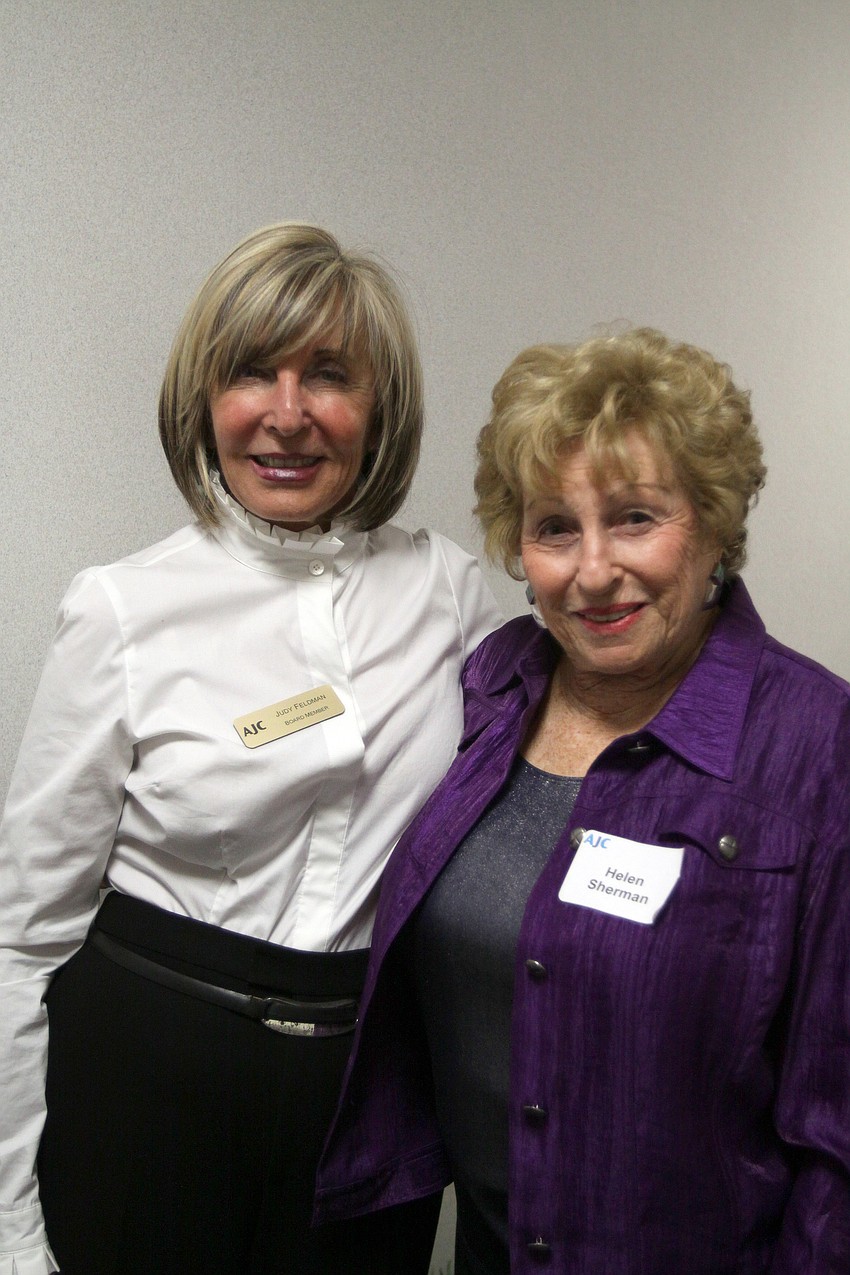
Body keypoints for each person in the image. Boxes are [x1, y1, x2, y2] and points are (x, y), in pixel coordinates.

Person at [0, 222, 500, 1275]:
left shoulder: (449, 594)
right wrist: (11, 1230)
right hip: (144, 1086)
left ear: (381, 407)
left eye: (329, 375)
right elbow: (21, 940)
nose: (287, 412)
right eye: (249, 373)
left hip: (365, 1101)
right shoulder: (122, 609)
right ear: (203, 398)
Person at [316, 328, 850, 1273]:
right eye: (555, 526)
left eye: (636, 517)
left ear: (715, 525)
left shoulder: (815, 742)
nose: (593, 571)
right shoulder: (491, 688)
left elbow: (835, 1135)